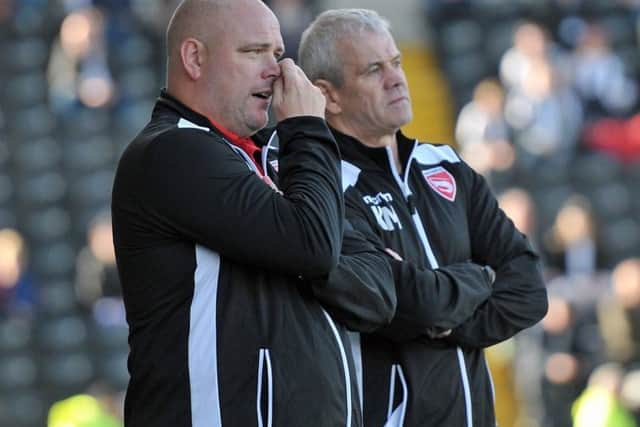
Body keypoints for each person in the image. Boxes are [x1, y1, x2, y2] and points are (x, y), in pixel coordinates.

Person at [111, 1, 396, 426]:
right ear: (194, 57)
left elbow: (379, 294)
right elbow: (314, 246)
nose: (277, 70)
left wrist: (306, 247)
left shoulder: (274, 159)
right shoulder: (173, 152)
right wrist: (305, 128)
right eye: (253, 52)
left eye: (277, 53)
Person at [299, 9, 549, 426]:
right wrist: (479, 279)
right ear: (329, 96)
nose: (396, 77)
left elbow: (529, 289)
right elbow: (408, 304)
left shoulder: (446, 165)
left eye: (396, 62)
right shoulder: (322, 187)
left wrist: (449, 324)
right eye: (374, 70)